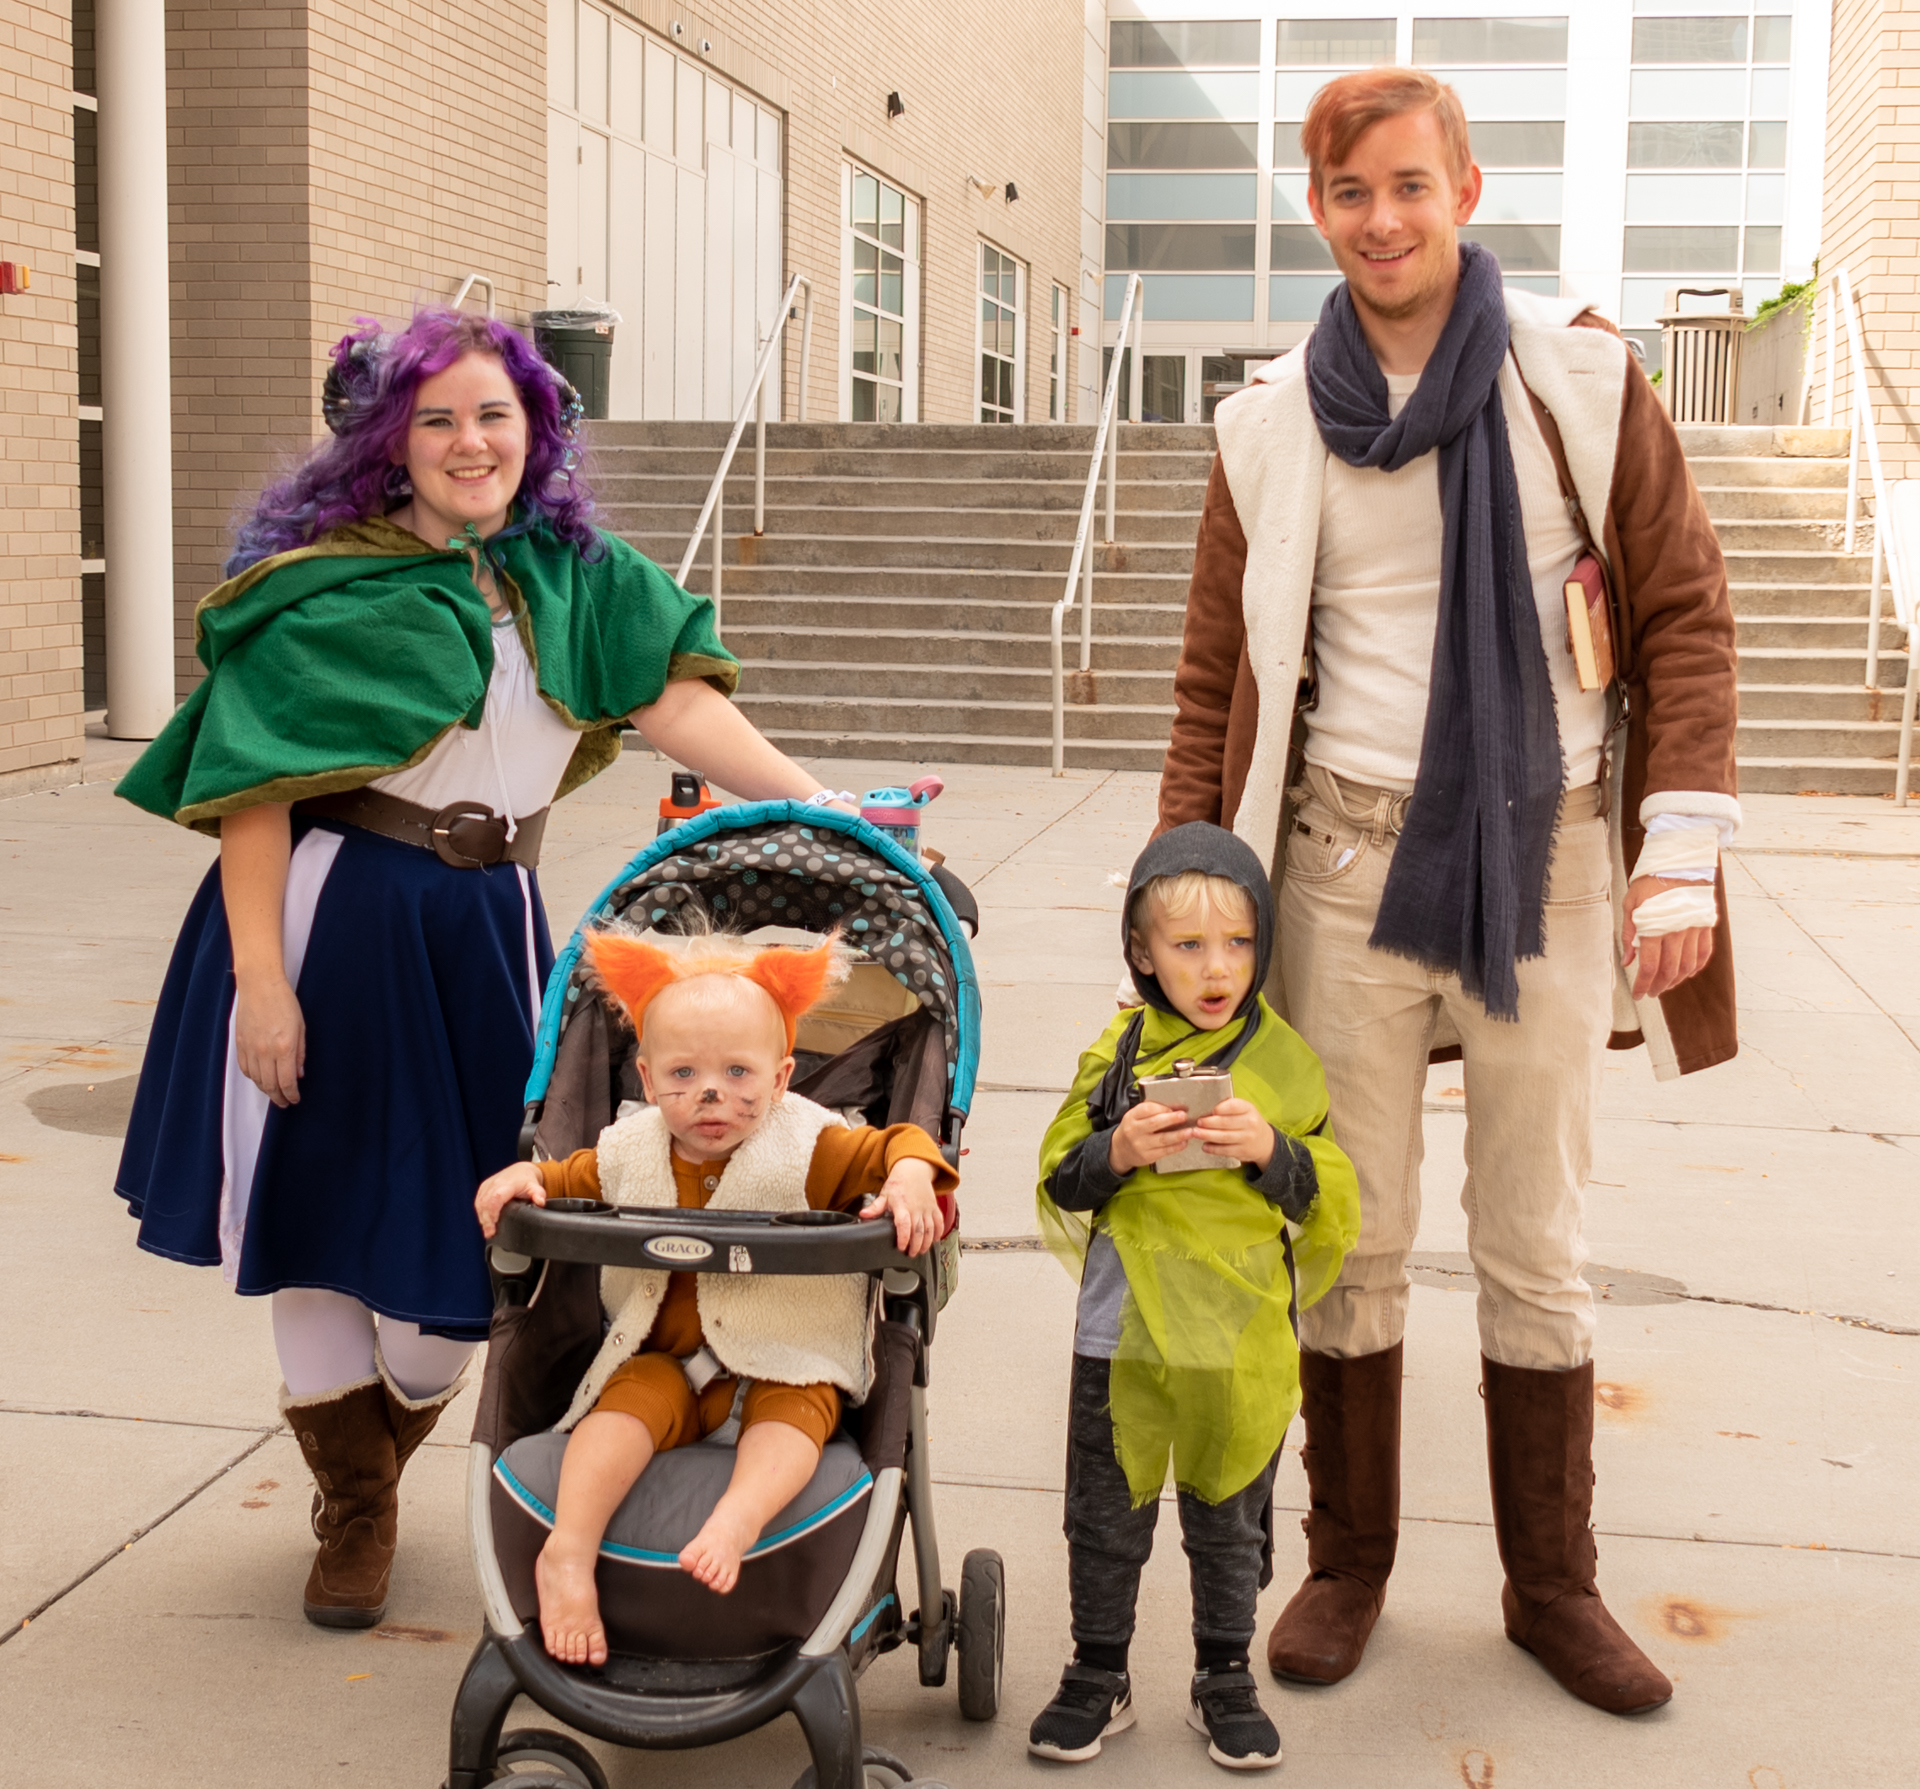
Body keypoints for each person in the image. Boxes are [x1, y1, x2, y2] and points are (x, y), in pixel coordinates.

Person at [112, 307, 855, 1631]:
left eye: (494, 415)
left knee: (468, 1267)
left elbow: (673, 700)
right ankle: (358, 1507)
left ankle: (369, 1456)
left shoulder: (565, 571)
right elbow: (255, 799)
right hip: (334, 917)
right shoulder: (321, 580)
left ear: (534, 429)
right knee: (323, 1235)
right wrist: (263, 986)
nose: (470, 441)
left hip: (489, 929)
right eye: (438, 417)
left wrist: (823, 807)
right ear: (391, 440)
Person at [1154, 68, 1740, 1716]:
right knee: (1344, 1233)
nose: (1382, 220)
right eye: (1349, 194)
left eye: (1409, 185)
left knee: (1534, 1239)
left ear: (1466, 189)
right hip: (1336, 862)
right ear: (1319, 209)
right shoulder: (1267, 419)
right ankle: (1348, 1561)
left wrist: (1679, 849)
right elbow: (1217, 682)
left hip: (1545, 856)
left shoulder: (1582, 379)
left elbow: (1685, 612)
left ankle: (1553, 1580)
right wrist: (1184, 900)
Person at [475, 930, 955, 1668]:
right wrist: (523, 1180)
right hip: (662, 1356)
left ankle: (735, 1519)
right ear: (645, 1074)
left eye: (738, 1072)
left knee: (797, 1416)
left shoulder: (810, 1144)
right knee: (620, 1408)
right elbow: (567, 1175)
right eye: (683, 1072)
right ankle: (566, 1551)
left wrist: (911, 1178)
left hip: (786, 1357)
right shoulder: (631, 1145)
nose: (710, 1093)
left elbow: (895, 1145)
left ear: (782, 1074)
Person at [1028, 824, 1360, 1772]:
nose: (1217, 967)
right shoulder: (1117, 1055)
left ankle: (1225, 1672)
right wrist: (1119, 1148)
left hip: (1236, 1335)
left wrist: (1271, 1149)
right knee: (1104, 1511)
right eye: (1187, 945)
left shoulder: (1285, 1062)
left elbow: (1331, 1195)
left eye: (1239, 942)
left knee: (1226, 1517)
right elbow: (1059, 1175)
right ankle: (1100, 1669)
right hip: (1122, 1328)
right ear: (1141, 953)